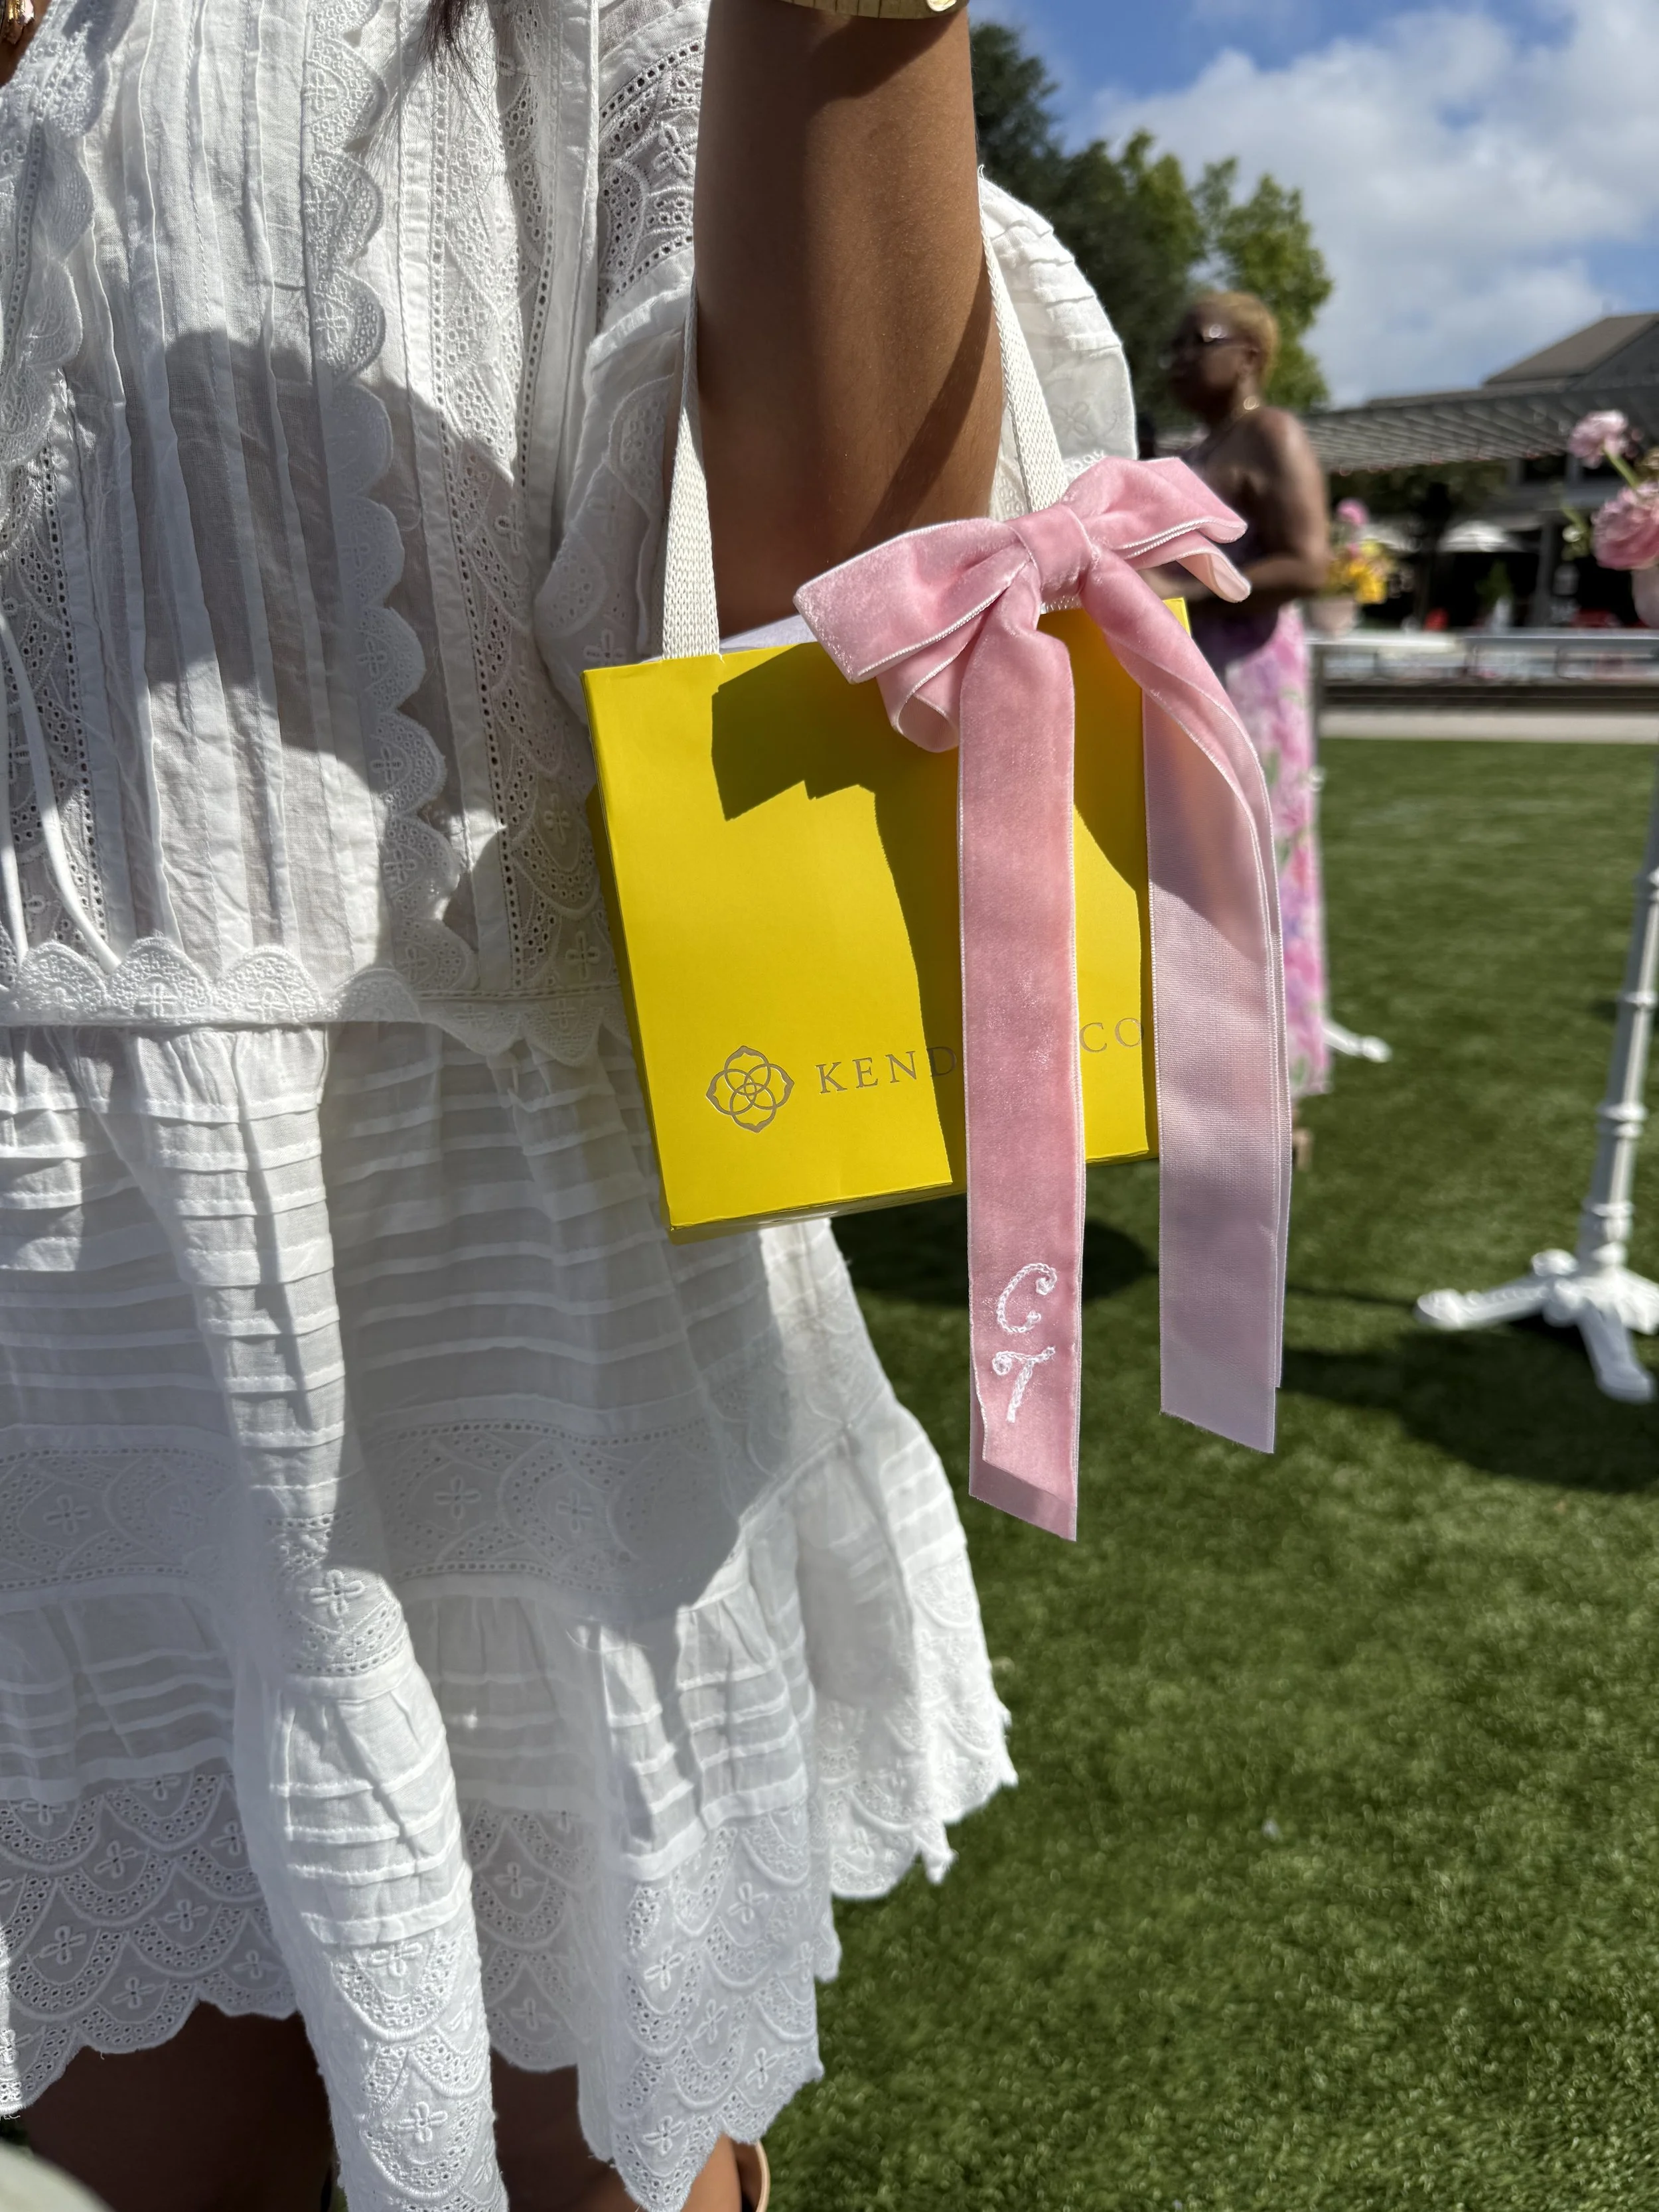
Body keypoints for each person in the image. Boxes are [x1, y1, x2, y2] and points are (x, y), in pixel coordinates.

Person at [0, 3, 1135, 2210]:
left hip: (458, 1287)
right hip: (61, 1323)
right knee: (128, 2117)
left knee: (575, 2146)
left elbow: (856, 618)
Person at [1165, 291, 1334, 1118]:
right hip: (1199, 677)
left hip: (1253, 681)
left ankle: (1279, 1092)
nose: (1174, 359)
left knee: (1260, 873)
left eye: (1195, 342)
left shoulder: (1271, 435)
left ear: (1252, 355)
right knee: (1205, 869)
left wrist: (1187, 587)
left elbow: (1309, 563)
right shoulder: (1201, 449)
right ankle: (1221, 1069)